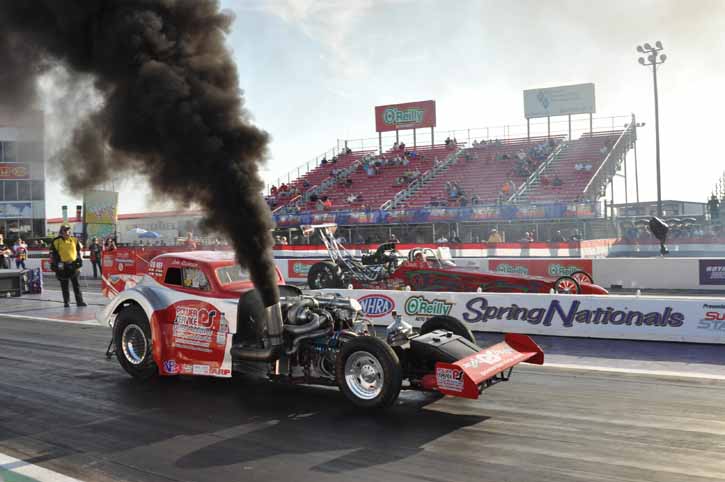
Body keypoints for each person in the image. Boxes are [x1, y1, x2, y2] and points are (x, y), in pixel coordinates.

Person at [49, 225, 87, 307]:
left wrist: (79, 263)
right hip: (63, 266)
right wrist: (57, 265)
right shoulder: (56, 241)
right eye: (65, 231)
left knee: (76, 285)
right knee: (64, 285)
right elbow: (53, 254)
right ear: (61, 232)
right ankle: (66, 302)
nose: (67, 232)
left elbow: (79, 252)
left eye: (68, 231)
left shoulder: (75, 240)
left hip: (73, 265)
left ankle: (79, 302)